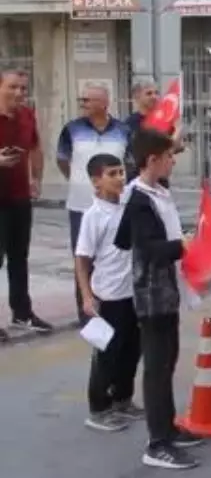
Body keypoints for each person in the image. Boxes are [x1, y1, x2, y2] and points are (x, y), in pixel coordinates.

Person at [113, 129, 203, 470]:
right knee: (157, 366)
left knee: (168, 361)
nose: (173, 161)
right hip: (152, 293)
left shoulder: (155, 191)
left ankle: (168, 427)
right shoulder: (138, 198)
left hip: (168, 288)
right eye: (169, 157)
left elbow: (123, 240)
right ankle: (157, 443)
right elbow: (148, 249)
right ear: (152, 160)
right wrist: (184, 245)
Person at [75, 153, 143, 433]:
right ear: (95, 181)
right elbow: (82, 259)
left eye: (120, 172)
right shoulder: (93, 216)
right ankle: (99, 408)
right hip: (109, 295)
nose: (119, 178)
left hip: (133, 293)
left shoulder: (127, 203)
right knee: (107, 353)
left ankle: (123, 400)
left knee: (132, 349)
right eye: (111, 174)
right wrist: (87, 296)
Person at [58, 84, 132, 326]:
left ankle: (113, 306)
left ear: (103, 103)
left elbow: (129, 163)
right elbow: (62, 160)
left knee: (114, 256)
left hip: (115, 206)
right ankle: (87, 312)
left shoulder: (123, 130)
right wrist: (80, 181)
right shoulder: (72, 129)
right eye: (82, 101)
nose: (83, 105)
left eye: (87, 100)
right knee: (83, 257)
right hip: (81, 206)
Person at [0, 68, 47, 338]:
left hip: (19, 196)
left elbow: (35, 148)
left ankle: (22, 312)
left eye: (23, 89)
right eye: (13, 87)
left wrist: (37, 179)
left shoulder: (27, 115)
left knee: (20, 257)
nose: (19, 93)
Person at [123, 78, 184, 186]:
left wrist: (176, 130)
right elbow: (160, 150)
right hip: (139, 180)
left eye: (156, 93)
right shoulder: (131, 123)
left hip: (161, 180)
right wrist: (178, 130)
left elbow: (177, 148)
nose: (154, 97)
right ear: (137, 97)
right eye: (149, 93)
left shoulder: (164, 120)